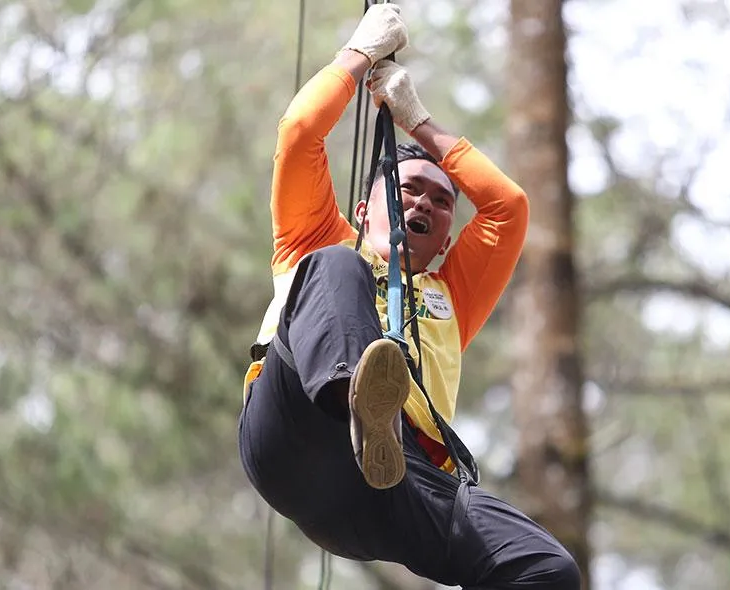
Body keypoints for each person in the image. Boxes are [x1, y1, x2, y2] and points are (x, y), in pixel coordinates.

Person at [237, 5, 582, 588]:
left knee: (549, 569)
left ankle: (377, 428)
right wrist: (359, 56)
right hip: (295, 430)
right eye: (408, 190)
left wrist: (415, 117)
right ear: (365, 208)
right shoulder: (318, 239)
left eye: (441, 201)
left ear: (449, 234)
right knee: (337, 266)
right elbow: (300, 133)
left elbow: (508, 208)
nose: (422, 203)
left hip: (392, 480)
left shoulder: (452, 296)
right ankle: (356, 403)